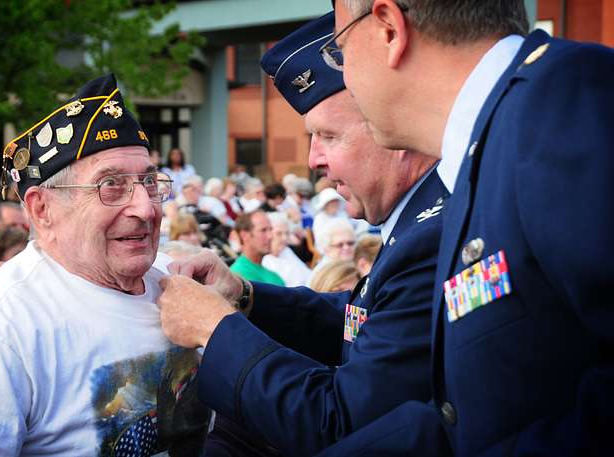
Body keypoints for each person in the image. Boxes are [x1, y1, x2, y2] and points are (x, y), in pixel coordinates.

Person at [314, 1, 614, 456]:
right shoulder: (494, 142)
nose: (346, 77)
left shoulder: (560, 101)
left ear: (389, 29)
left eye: (340, 52)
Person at [156, 12, 447, 456]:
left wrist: (214, 329)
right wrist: (244, 294)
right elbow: (359, 322)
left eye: (327, 135)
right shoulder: (418, 223)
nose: (313, 159)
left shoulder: (431, 237)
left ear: (389, 127)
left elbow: (339, 423)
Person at [0, 74, 210, 455]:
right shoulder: (3, 326)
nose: (146, 207)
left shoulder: (177, 280)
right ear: (42, 208)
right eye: (111, 185)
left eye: (149, 182)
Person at [230, 210, 285, 286]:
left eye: (270, 229)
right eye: (263, 230)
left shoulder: (274, 276)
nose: (270, 236)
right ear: (244, 236)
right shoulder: (237, 276)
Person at [261, 211, 311, 287]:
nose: (284, 238)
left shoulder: (286, 251)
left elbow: (307, 273)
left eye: (287, 233)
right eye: (279, 233)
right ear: (268, 235)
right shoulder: (265, 262)